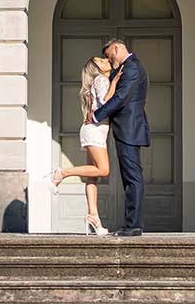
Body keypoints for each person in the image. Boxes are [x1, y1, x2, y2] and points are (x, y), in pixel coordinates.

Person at [91, 37, 151, 237]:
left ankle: (133, 225)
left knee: (133, 178)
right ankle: (132, 224)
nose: (109, 60)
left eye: (109, 55)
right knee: (130, 178)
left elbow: (120, 98)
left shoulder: (132, 67)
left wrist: (95, 116)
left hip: (129, 130)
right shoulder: (126, 67)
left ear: (115, 49)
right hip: (126, 129)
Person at [54, 55, 116, 237]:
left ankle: (93, 217)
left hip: (92, 130)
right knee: (103, 170)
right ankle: (63, 172)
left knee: (93, 177)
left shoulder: (96, 81)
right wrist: (115, 83)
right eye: (102, 60)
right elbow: (106, 103)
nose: (106, 60)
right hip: (95, 131)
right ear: (96, 67)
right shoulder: (102, 79)